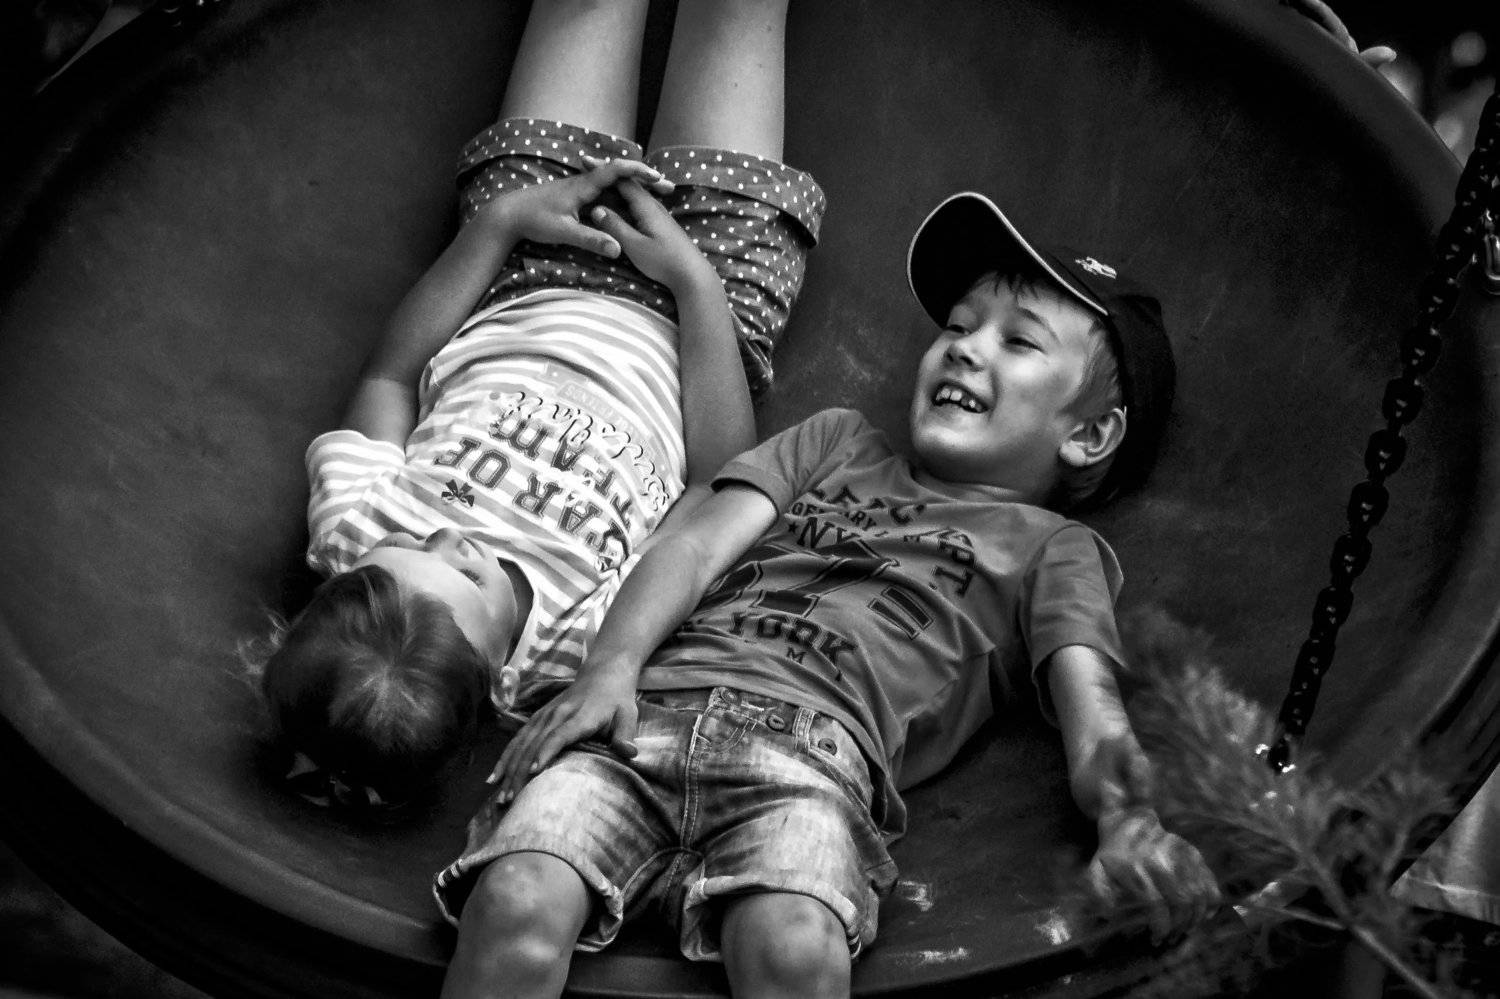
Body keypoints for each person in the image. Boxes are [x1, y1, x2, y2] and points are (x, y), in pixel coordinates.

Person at [433, 171, 1222, 994]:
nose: (965, 346)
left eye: (1018, 342)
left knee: (795, 948)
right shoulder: (837, 441)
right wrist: (611, 666)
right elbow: (693, 549)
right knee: (516, 898)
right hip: (644, 716)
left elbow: (1092, 705)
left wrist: (1130, 821)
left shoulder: (1054, 548)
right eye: (959, 325)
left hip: (810, 763)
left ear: (1090, 435)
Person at [253, 0, 824, 812]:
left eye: (411, 544)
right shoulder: (580, 641)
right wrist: (694, 284)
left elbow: (390, 377)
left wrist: (498, 224)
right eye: (465, 570)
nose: (448, 536)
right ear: (497, 676)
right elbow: (714, 486)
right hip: (702, 308)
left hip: (531, 255)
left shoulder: (351, 526)